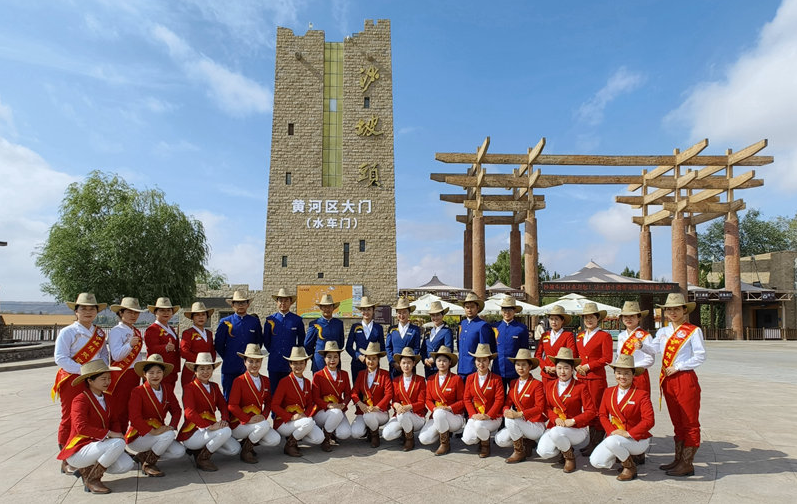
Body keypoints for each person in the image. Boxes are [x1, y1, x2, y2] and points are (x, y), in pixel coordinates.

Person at [53, 292, 110, 475]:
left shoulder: (99, 333)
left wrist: (100, 370)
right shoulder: (68, 332)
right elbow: (60, 357)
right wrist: (84, 370)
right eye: (83, 308)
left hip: (93, 379)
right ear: (76, 311)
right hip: (72, 378)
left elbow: (103, 354)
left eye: (92, 309)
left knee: (91, 416)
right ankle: (66, 458)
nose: (88, 312)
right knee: (70, 418)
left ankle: (86, 454)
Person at [57, 360, 134, 494]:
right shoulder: (80, 399)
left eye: (109, 378)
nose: (107, 382)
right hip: (80, 449)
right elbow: (81, 427)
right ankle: (93, 479)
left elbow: (114, 421)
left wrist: (117, 433)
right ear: (90, 381)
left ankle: (88, 470)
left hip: (98, 446)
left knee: (126, 464)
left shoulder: (108, 398)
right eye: (103, 379)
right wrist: (110, 434)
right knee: (117, 444)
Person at [654, 293, 706, 477]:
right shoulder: (662, 332)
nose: (672, 312)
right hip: (667, 380)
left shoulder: (693, 331)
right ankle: (678, 459)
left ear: (685, 310)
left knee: (689, 421)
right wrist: (641, 345)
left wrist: (679, 366)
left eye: (676, 309)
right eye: (669, 309)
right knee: (677, 422)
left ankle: (687, 463)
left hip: (684, 378)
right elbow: (653, 349)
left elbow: (700, 355)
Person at [589, 354, 655, 481]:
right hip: (615, 436)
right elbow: (602, 415)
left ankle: (629, 467)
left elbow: (649, 420)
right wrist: (611, 431)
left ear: (633, 375)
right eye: (619, 373)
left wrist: (628, 433)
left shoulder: (641, 394)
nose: (622, 377)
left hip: (637, 439)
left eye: (626, 373)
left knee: (611, 442)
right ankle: (623, 455)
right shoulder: (608, 392)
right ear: (614, 373)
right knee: (596, 461)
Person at [536, 348, 597, 473]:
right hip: (556, 425)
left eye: (566, 368)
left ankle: (569, 457)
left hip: (576, 429)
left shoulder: (581, 386)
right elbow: (546, 407)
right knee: (543, 452)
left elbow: (591, 411)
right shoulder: (550, 385)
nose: (562, 372)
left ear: (572, 369)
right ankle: (563, 448)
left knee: (556, 432)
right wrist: (555, 418)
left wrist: (573, 420)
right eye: (559, 368)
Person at [177, 352, 240, 471]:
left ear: (212, 370)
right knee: (225, 432)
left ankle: (201, 449)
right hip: (193, 431)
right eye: (201, 369)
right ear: (195, 371)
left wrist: (225, 419)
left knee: (234, 449)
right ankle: (203, 458)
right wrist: (208, 426)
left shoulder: (214, 386)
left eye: (208, 368)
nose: (205, 372)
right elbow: (189, 412)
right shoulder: (189, 387)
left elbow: (223, 405)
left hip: (210, 429)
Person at [126, 354, 185, 477]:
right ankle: (149, 464)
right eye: (151, 372)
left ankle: (144, 455)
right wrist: (152, 431)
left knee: (179, 451)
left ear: (163, 374)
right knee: (169, 435)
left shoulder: (167, 388)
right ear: (144, 374)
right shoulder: (138, 391)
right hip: (139, 435)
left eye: (159, 372)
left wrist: (172, 426)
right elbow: (134, 418)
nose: (155, 376)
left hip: (160, 432)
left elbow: (176, 410)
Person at [228, 344, 281, 464]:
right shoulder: (239, 381)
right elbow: (232, 406)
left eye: (257, 361)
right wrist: (247, 419)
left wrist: (264, 415)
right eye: (251, 361)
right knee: (264, 426)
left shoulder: (266, 380)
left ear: (261, 362)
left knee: (275, 439)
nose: (254, 365)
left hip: (258, 421)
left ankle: (247, 443)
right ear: (245, 362)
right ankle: (246, 451)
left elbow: (269, 402)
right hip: (240, 423)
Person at [574, 302, 614, 456]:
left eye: (592, 317)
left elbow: (607, 358)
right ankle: (591, 441)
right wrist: (577, 365)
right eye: (586, 318)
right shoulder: (580, 336)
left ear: (598, 318)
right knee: (586, 409)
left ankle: (596, 443)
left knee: (597, 410)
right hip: (581, 377)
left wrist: (588, 366)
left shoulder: (604, 336)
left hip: (595, 378)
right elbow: (576, 355)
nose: (589, 320)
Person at [495, 348, 546, 464]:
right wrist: (506, 410)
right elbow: (507, 403)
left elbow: (540, 408)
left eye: (524, 365)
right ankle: (525, 443)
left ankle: (519, 452)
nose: (520, 368)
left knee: (510, 420)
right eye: (518, 365)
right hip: (520, 422)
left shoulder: (537, 384)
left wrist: (519, 414)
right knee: (500, 440)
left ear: (530, 366)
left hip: (535, 424)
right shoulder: (513, 383)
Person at [272, 347, 325, 457]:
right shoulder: (284, 382)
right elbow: (274, 405)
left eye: (301, 363)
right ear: (290, 365)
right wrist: (291, 417)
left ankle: (295, 436)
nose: (298, 366)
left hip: (301, 420)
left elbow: (310, 404)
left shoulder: (307, 382)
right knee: (309, 422)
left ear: (305, 364)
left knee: (319, 438)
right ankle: (290, 445)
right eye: (295, 363)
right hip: (284, 422)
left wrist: (305, 414)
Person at [215, 290, 263, 399]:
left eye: (243, 302)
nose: (240, 305)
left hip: (249, 368)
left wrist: (252, 359)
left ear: (248, 304)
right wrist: (228, 356)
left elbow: (259, 342)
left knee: (248, 398)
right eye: (237, 302)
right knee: (229, 397)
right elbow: (219, 344)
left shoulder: (254, 322)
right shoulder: (225, 322)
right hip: (230, 367)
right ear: (232, 305)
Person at [107, 297, 146, 432]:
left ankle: (127, 436)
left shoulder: (135, 331)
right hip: (121, 374)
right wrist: (129, 345)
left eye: (136, 312)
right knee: (120, 409)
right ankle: (118, 436)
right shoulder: (116, 331)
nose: (133, 315)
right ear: (121, 313)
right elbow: (116, 356)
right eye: (129, 312)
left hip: (134, 373)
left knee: (131, 406)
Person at [418, 345, 465, 456]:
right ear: (435, 362)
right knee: (424, 438)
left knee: (440, 413)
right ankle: (442, 432)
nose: (442, 363)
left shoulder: (456, 379)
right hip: (437, 414)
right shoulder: (431, 379)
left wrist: (449, 408)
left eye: (445, 361)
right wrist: (434, 409)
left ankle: (445, 444)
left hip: (454, 416)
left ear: (450, 363)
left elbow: (463, 400)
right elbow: (428, 399)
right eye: (439, 360)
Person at [462, 343, 505, 458]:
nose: (481, 364)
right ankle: (481, 437)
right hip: (476, 415)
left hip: (492, 416)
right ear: (475, 361)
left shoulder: (496, 379)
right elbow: (466, 399)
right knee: (468, 439)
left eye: (484, 360)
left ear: (489, 361)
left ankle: (485, 445)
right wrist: (473, 414)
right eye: (478, 360)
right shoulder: (470, 378)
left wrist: (488, 415)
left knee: (479, 425)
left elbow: (499, 400)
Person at [383, 347, 427, 451]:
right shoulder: (395, 381)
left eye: (409, 363)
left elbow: (422, 402)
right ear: (400, 364)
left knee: (403, 415)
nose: (406, 366)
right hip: (400, 414)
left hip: (416, 416)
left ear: (414, 364)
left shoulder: (420, 380)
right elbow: (394, 400)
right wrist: (396, 405)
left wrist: (409, 407)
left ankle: (409, 439)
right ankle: (405, 431)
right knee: (387, 434)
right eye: (403, 363)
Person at [350, 342, 394, 447]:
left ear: (378, 360)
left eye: (374, 358)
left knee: (369, 416)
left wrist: (377, 407)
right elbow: (354, 392)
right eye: (368, 358)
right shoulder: (361, 374)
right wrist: (360, 403)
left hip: (380, 411)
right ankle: (368, 429)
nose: (371, 361)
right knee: (356, 433)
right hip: (364, 410)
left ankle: (374, 435)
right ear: (365, 359)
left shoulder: (384, 374)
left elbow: (389, 394)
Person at [312, 341, 352, 451]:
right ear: (324, 359)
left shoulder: (344, 374)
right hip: (322, 412)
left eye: (335, 357)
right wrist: (328, 406)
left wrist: (344, 404)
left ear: (339, 358)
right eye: (329, 357)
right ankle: (326, 437)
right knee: (336, 412)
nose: (332, 360)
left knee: (345, 433)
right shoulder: (318, 375)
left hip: (338, 410)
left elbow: (348, 394)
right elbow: (315, 397)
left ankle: (332, 430)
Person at [264, 288, 306, 391]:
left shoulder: (297, 320)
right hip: (274, 362)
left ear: (290, 302)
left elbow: (301, 340)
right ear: (277, 302)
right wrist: (274, 351)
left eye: (286, 300)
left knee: (290, 391)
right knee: (274, 391)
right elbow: (266, 341)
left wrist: (294, 354)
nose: (283, 303)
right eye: (280, 300)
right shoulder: (270, 320)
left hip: (291, 363)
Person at [615, 301, 655, 393]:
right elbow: (618, 356)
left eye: (632, 316)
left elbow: (650, 359)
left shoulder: (645, 336)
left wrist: (632, 368)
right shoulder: (621, 336)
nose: (628, 319)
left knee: (639, 399)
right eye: (625, 316)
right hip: (623, 375)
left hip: (639, 374)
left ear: (639, 318)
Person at [492, 296, 530, 392]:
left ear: (514, 311)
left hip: (515, 370)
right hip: (498, 368)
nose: (507, 312)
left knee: (515, 395)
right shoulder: (494, 327)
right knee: (499, 396)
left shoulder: (521, 328)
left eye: (509, 310)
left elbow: (524, 350)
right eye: (504, 309)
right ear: (501, 311)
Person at [345, 296, 386, 385]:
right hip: (357, 364)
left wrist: (374, 358)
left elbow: (382, 347)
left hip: (373, 365)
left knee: (373, 389)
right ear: (360, 311)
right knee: (358, 389)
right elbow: (348, 347)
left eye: (369, 309)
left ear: (373, 310)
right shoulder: (355, 327)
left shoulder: (378, 328)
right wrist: (358, 356)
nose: (366, 312)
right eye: (363, 309)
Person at [534, 305, 576, 388]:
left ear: (562, 321)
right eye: (551, 319)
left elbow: (572, 354)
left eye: (556, 319)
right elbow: (537, 355)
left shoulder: (568, 335)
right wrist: (544, 367)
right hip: (547, 373)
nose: (553, 322)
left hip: (562, 374)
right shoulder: (545, 335)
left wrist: (557, 368)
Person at [457, 292, 496, 379]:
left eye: (472, 307)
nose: (469, 310)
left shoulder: (483, 325)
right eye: (467, 307)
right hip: (461, 368)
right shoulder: (462, 324)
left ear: (477, 308)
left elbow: (484, 350)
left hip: (474, 369)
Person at [144, 297, 181, 388]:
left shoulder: (171, 328)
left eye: (168, 310)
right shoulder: (152, 329)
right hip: (159, 369)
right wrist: (165, 347)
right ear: (155, 312)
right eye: (162, 310)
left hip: (172, 369)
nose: (166, 313)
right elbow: (151, 348)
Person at [304, 294, 345, 373]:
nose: (327, 309)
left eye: (329, 306)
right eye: (324, 307)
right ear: (320, 308)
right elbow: (307, 344)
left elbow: (341, 343)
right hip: (319, 362)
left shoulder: (339, 324)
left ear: (333, 308)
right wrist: (315, 356)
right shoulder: (314, 324)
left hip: (335, 362)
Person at [180, 301, 215, 388]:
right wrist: (200, 361)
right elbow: (184, 351)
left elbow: (212, 350)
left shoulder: (209, 333)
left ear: (207, 317)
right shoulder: (188, 333)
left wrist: (210, 364)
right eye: (197, 315)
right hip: (191, 369)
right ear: (192, 317)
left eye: (203, 314)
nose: (201, 317)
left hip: (206, 370)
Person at [385, 297, 422, 379]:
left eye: (404, 312)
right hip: (394, 367)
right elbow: (388, 347)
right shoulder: (391, 329)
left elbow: (416, 348)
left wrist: (410, 362)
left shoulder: (415, 329)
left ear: (409, 313)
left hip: (409, 367)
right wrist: (392, 362)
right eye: (399, 312)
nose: (402, 315)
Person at [420, 300, 454, 378]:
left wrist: (434, 359)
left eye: (438, 315)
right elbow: (423, 349)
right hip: (428, 367)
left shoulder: (447, 331)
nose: (435, 318)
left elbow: (448, 350)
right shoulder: (428, 332)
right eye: (433, 315)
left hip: (441, 367)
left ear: (442, 315)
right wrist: (425, 359)